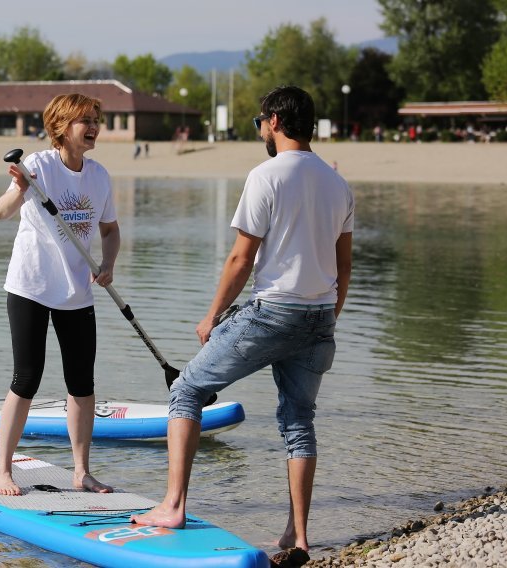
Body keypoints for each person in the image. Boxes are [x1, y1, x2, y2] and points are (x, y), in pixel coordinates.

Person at [131, 85, 354, 557]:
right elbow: (344, 265)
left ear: (274, 121)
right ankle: (298, 534)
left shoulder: (266, 175)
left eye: (260, 122)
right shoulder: (338, 184)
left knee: (186, 390)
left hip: (273, 312)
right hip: (318, 317)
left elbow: (240, 258)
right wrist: (326, 317)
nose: (260, 130)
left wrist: (212, 315)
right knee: (299, 421)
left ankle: (173, 505)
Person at [0, 93, 121, 496]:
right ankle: (2, 471)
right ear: (60, 127)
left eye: (96, 119)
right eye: (84, 120)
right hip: (31, 286)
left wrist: (108, 264)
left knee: (82, 383)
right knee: (26, 377)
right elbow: (1, 212)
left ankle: (81, 471)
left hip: (78, 292)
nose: (93, 126)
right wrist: (18, 188)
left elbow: (110, 230)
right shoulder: (38, 166)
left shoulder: (99, 176)